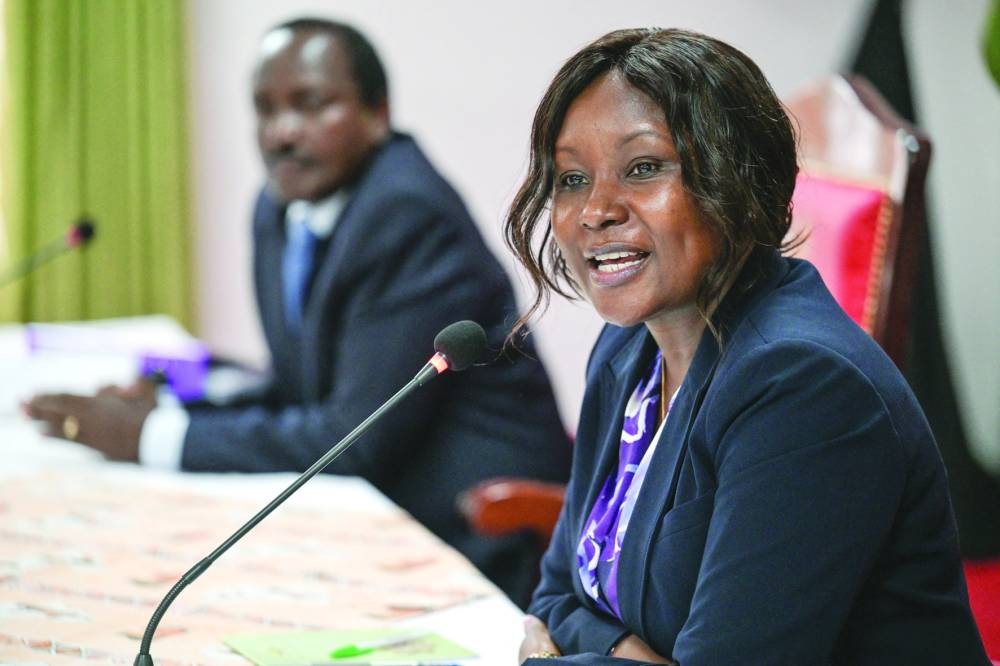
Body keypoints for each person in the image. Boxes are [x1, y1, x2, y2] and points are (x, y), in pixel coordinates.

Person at [23, 17, 571, 607]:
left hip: (477, 537)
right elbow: (299, 388)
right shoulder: (280, 206)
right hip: (371, 516)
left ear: (377, 113)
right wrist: (178, 404)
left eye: (311, 105)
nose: (281, 133)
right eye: (265, 109)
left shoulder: (408, 215)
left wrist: (155, 436)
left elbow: (351, 438)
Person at [505, 28, 990, 664]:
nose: (595, 210)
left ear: (741, 182)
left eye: (644, 167)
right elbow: (557, 595)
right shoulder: (626, 349)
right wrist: (624, 649)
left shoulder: (806, 385)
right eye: (571, 178)